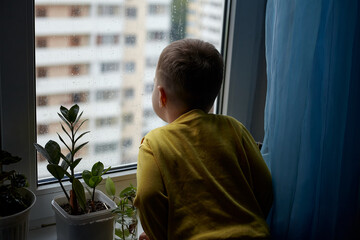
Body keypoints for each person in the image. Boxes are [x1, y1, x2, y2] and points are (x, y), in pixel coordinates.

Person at [134, 39, 273, 240]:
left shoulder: (153, 143)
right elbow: (265, 185)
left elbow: (148, 197)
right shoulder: (234, 127)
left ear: (161, 96)